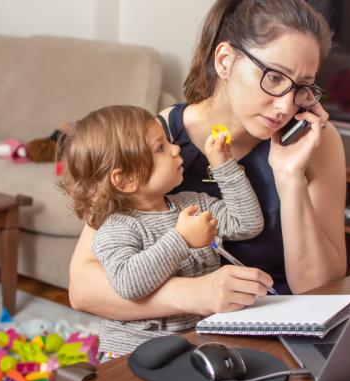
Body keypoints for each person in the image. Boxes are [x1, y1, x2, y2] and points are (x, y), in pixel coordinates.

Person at [68, 0, 347, 322]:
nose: (285, 106)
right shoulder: (162, 137)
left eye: (301, 87)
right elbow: (83, 287)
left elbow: (320, 292)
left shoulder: (317, 143)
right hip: (182, 330)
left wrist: (289, 176)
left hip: (278, 323)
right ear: (226, 60)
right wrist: (197, 293)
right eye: (274, 78)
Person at [58, 105, 263, 356]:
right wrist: (181, 240)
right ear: (124, 180)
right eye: (160, 148)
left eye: (169, 141)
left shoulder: (193, 203)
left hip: (193, 344)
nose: (176, 149)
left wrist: (223, 165)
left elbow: (247, 223)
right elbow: (128, 284)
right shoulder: (116, 227)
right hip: (133, 353)